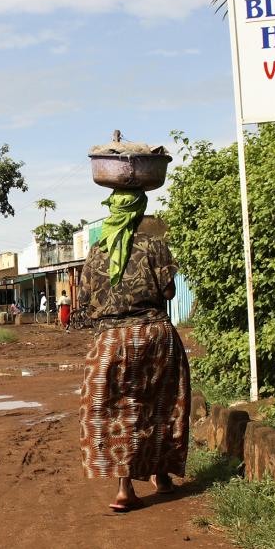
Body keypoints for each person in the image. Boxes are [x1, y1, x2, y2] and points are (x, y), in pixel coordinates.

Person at [77, 189, 189, 513]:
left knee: (118, 409)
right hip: (155, 334)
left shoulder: (97, 252)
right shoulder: (154, 245)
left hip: (110, 341)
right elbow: (168, 290)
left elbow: (85, 300)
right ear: (140, 211)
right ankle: (162, 474)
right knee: (164, 404)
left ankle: (125, 488)